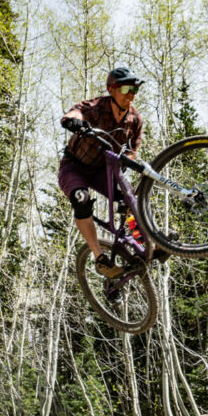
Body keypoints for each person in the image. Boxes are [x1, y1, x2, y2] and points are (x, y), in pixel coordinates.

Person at [59, 65, 144, 277]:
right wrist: (72, 119)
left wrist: (127, 161)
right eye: (126, 90)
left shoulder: (135, 119)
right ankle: (99, 258)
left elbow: (134, 148)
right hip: (74, 166)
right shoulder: (98, 106)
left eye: (134, 90)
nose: (131, 95)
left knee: (129, 199)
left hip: (103, 171)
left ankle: (144, 241)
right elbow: (78, 109)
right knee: (81, 198)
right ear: (111, 89)